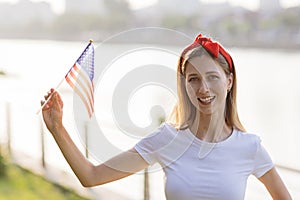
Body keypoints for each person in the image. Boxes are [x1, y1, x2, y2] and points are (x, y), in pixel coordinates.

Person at [41, 34, 292, 200]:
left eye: (212, 77)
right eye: (193, 79)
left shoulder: (250, 147)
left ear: (228, 81)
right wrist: (57, 128)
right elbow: (92, 176)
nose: (203, 88)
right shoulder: (166, 139)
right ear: (184, 86)